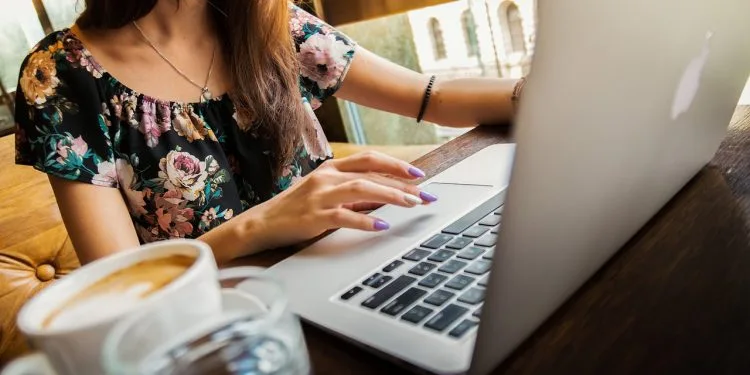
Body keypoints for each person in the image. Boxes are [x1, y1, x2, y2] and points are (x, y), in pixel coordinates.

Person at [14, 0, 523, 265]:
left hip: (347, 265)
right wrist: (259, 226)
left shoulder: (267, 22)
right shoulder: (63, 76)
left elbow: (430, 97)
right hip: (222, 329)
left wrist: (549, 88)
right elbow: (121, 287)